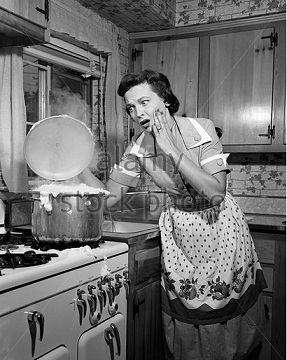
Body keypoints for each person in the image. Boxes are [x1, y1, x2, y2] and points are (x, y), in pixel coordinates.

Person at [80, 69, 267, 360]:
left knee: (228, 310)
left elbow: (215, 192)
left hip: (220, 228)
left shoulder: (201, 128)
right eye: (130, 107)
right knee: (187, 315)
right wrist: (76, 161)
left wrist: (169, 148)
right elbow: (109, 199)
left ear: (165, 100)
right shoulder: (138, 148)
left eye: (144, 102)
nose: (136, 112)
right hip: (180, 233)